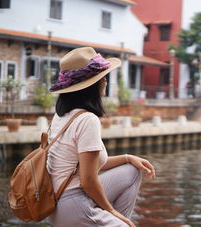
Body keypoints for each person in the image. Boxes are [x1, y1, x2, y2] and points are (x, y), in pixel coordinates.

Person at [47, 47, 156, 227]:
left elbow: (89, 165)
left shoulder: (61, 116)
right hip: (73, 205)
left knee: (131, 171)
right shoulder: (87, 120)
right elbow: (88, 180)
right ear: (90, 85)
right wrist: (111, 212)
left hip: (56, 204)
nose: (105, 81)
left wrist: (128, 158)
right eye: (102, 77)